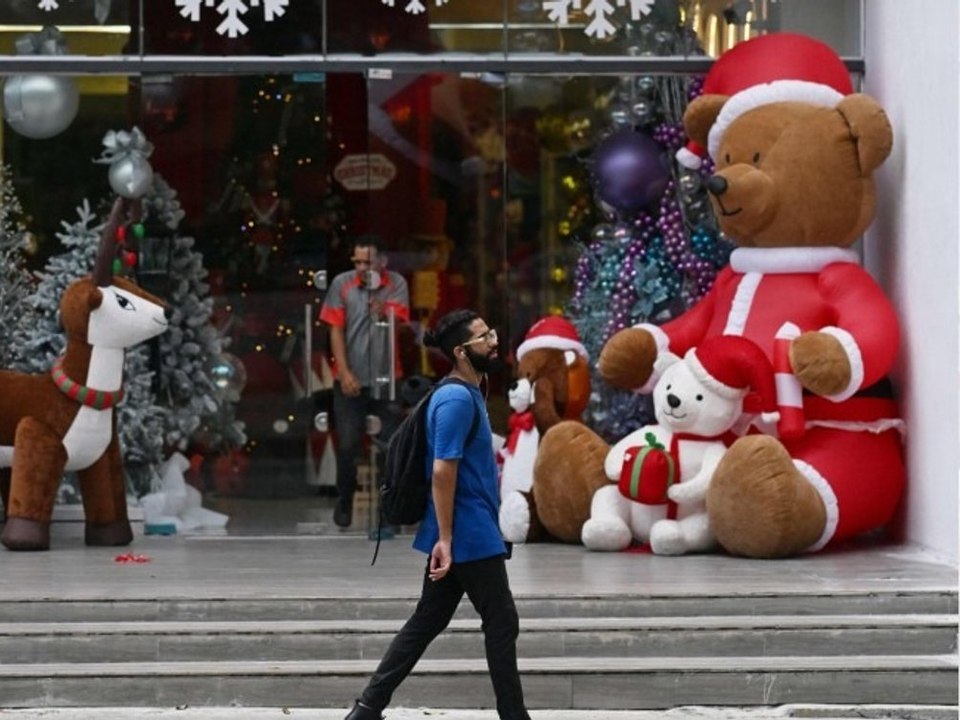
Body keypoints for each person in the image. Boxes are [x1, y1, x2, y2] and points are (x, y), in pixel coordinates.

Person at [344, 309, 531, 720]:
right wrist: (445, 539)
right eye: (485, 337)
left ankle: (367, 708)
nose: (494, 341)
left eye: (492, 330)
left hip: (467, 528)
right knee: (501, 622)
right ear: (462, 352)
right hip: (467, 532)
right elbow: (442, 470)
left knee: (427, 621)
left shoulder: (472, 390)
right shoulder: (454, 400)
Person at [320, 235, 410, 528]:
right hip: (351, 377)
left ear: (381, 263)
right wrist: (344, 373)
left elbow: (401, 325)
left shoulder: (395, 284)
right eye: (357, 262)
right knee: (347, 442)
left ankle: (389, 507)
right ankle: (345, 498)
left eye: (367, 262)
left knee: (392, 445)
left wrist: (385, 310)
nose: (361, 267)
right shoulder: (342, 284)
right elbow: (335, 330)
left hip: (387, 378)